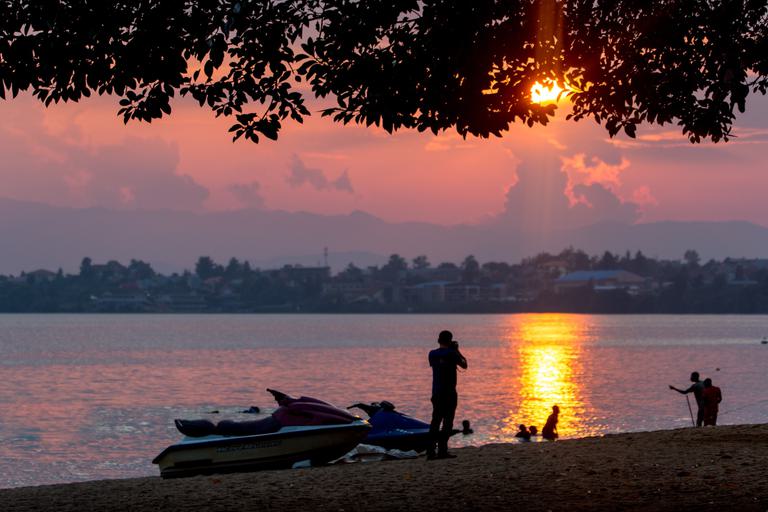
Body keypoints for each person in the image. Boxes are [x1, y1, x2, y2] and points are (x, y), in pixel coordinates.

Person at [427, 330, 468, 459]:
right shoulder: (452, 353)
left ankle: (431, 451)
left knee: (435, 421)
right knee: (447, 422)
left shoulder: (432, 354)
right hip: (449, 393)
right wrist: (457, 350)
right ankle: (442, 451)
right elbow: (464, 365)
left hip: (436, 392)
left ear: (438, 340)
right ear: (450, 341)